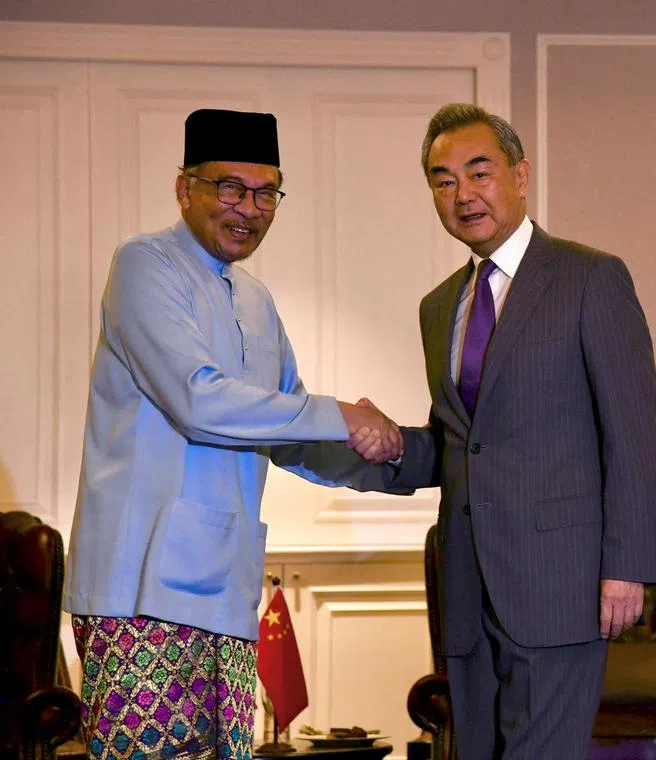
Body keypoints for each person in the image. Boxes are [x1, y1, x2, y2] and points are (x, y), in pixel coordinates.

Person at [63, 108, 404, 760]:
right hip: (140, 595)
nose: (249, 208)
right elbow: (198, 400)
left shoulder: (255, 299)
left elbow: (290, 425)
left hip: (227, 590)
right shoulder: (144, 265)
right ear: (184, 187)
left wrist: (416, 458)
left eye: (266, 191)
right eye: (229, 187)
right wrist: (344, 415)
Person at [351, 102, 656, 759]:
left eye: (479, 172)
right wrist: (386, 443)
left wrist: (627, 567)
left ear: (520, 176)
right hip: (467, 588)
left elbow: (633, 432)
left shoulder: (589, 278)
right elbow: (460, 444)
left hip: (562, 584)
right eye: (442, 180)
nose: (462, 194)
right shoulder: (440, 307)